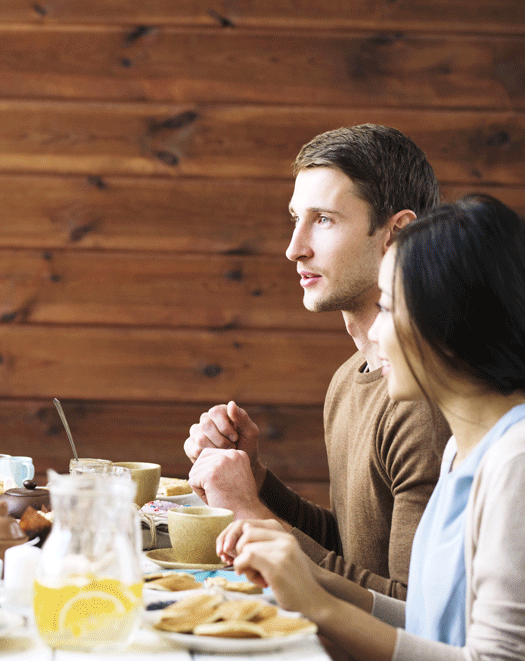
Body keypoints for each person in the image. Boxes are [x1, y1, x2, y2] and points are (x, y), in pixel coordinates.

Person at [220, 194, 525, 659]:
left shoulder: (516, 463)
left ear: (452, 320)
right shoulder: (464, 451)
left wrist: (321, 607)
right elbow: (429, 624)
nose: (375, 333)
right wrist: (312, 576)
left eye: (388, 307)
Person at [185, 124, 450, 598]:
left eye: (324, 219)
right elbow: (353, 555)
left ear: (397, 233)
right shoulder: (350, 378)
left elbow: (414, 617)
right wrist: (257, 482)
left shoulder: (424, 402)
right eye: (295, 218)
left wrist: (249, 513)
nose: (294, 248)